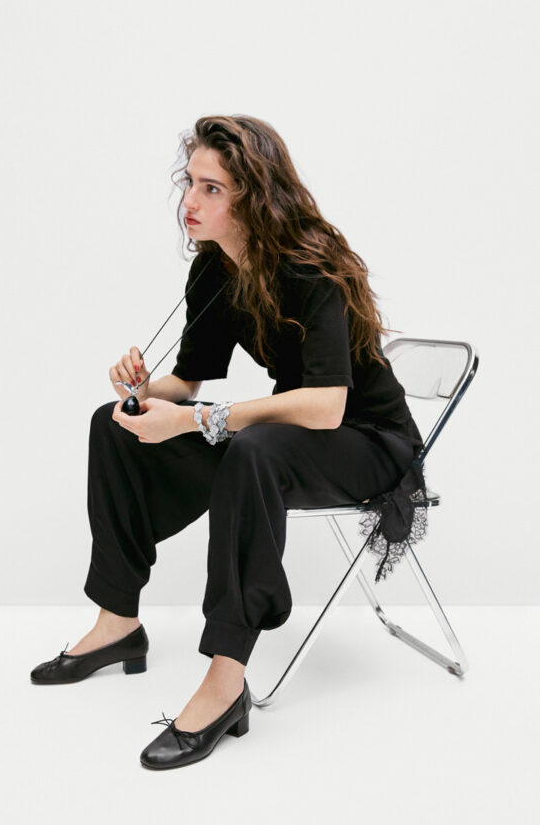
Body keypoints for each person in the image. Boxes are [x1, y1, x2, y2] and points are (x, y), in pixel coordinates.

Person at [30, 114, 426, 770]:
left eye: (211, 188)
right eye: (189, 182)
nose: (189, 200)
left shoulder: (312, 264)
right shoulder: (215, 271)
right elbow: (188, 383)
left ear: (254, 196)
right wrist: (142, 390)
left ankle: (225, 680)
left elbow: (327, 406)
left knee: (253, 447)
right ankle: (117, 622)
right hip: (292, 436)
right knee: (115, 422)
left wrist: (195, 421)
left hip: (369, 442)